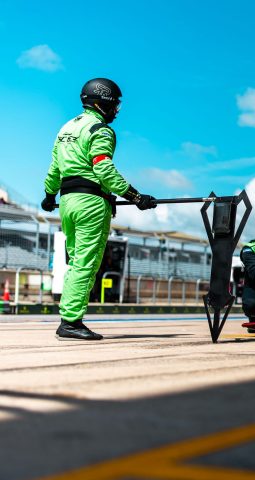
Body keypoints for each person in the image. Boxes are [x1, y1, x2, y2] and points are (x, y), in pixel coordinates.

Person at [41, 78, 157, 341]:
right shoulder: (100, 130)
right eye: (115, 104)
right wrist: (136, 196)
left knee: (74, 262)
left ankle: (68, 318)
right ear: (103, 102)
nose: (116, 110)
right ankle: (70, 321)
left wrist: (49, 196)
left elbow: (54, 169)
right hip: (91, 203)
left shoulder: (66, 128)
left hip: (68, 202)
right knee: (86, 263)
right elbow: (103, 169)